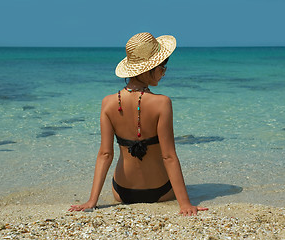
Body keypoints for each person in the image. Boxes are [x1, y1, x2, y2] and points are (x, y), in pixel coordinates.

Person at [69, 32, 208, 216]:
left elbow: (105, 154)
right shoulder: (162, 103)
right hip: (161, 192)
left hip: (122, 193)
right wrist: (184, 204)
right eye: (162, 66)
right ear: (146, 69)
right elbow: (169, 157)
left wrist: (92, 201)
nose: (164, 72)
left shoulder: (108, 103)